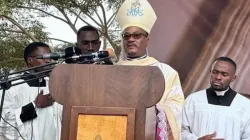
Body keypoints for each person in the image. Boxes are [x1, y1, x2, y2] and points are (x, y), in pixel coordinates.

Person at [116, 0, 185, 139]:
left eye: (137, 35)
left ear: (147, 40)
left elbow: (176, 107)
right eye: (126, 35)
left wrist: (153, 110)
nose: (131, 39)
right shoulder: (112, 71)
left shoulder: (165, 73)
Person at [0, 42, 62, 140]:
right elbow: (4, 123)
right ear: (30, 60)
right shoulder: (11, 87)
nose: (48, 61)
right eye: (44, 57)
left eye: (50, 57)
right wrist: (34, 105)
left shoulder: (56, 86)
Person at [181, 57, 250, 140]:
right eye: (214, 72)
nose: (218, 77)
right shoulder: (193, 100)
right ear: (210, 72)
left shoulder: (245, 105)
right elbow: (180, 131)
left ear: (233, 78)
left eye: (224, 74)